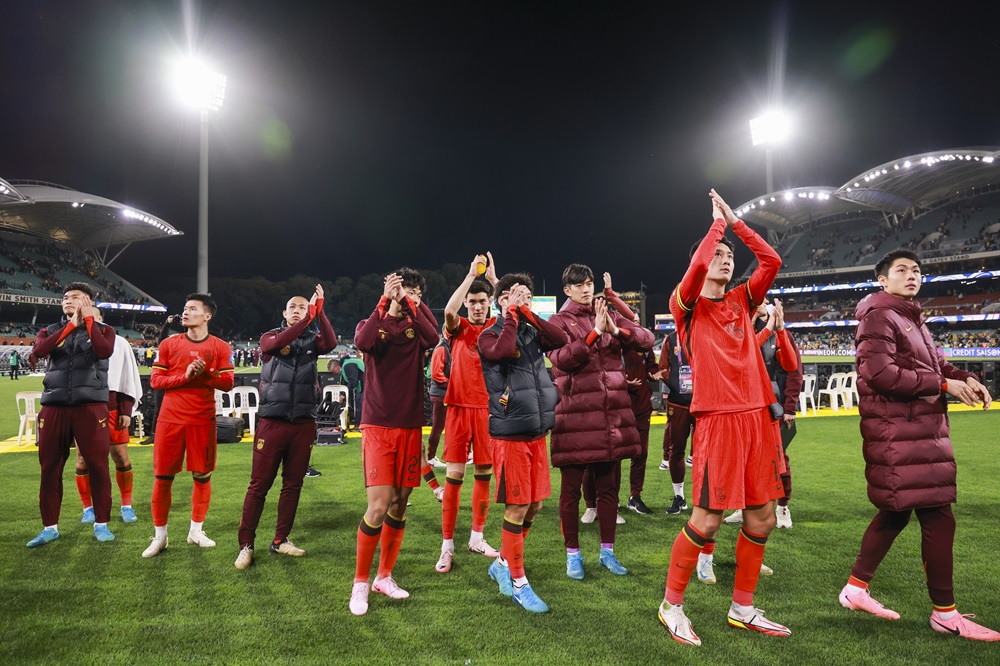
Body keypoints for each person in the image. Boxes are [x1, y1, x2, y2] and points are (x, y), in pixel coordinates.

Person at [839, 249, 998, 641]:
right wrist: (943, 385)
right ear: (882, 279)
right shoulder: (879, 316)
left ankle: (855, 589)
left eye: (917, 270)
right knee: (938, 516)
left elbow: (935, 366)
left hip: (915, 433)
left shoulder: (911, 317)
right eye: (902, 270)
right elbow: (880, 373)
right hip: (900, 434)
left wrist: (963, 376)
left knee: (896, 514)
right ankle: (945, 613)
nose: (913, 275)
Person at [658, 189, 787, 646]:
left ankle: (743, 607)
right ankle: (671, 605)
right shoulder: (686, 306)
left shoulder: (742, 301)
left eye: (729, 255)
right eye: (717, 255)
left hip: (757, 420)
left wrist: (735, 224)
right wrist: (714, 229)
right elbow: (695, 270)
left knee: (762, 517)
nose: (725, 259)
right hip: (717, 419)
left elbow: (770, 261)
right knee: (707, 520)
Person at [547, 263, 654, 580]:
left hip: (610, 420)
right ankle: (573, 556)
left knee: (609, 492)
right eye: (578, 284)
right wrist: (596, 333)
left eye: (589, 282)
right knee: (570, 495)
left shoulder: (608, 313)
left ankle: (608, 553)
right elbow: (562, 360)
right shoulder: (557, 321)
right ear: (566, 289)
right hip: (576, 419)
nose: (585, 288)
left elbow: (645, 338)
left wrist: (616, 330)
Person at [350, 268, 438, 616]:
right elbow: (362, 342)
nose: (408, 295)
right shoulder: (370, 323)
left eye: (414, 291)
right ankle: (360, 583)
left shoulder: (418, 327)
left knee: (400, 503)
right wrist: (385, 300)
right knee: (379, 504)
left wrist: (410, 303)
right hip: (378, 424)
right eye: (403, 288)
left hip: (411, 425)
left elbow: (433, 336)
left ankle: (384, 576)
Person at [479, 273, 568, 613]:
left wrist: (527, 314)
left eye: (528, 295)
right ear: (500, 300)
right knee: (517, 508)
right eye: (516, 295)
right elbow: (502, 351)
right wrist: (512, 315)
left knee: (534, 506)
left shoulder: (530, 330)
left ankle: (502, 562)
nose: (524, 299)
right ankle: (519, 583)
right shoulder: (489, 334)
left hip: (537, 432)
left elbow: (560, 338)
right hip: (510, 433)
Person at [235, 285, 336, 570]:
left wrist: (321, 312)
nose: (297, 310)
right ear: (284, 312)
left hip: (303, 423)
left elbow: (328, 343)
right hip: (272, 422)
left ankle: (280, 540)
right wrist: (308, 318)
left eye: (303, 307)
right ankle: (246, 544)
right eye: (292, 307)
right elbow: (270, 347)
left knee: (293, 485)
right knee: (259, 485)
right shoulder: (271, 337)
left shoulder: (312, 341)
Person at [142, 293, 234, 558]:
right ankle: (160, 537)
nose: (185, 312)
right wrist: (186, 376)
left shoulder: (220, 347)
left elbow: (227, 384)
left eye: (192, 309)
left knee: (202, 476)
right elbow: (156, 381)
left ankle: (196, 531)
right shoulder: (169, 344)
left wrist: (205, 373)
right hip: (170, 420)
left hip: (201, 420)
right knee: (162, 478)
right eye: (184, 308)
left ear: (207, 316)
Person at [27, 282, 117, 547]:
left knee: (98, 467)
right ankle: (49, 527)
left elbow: (103, 351)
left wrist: (88, 322)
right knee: (50, 468)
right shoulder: (50, 330)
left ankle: (101, 524)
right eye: (65, 297)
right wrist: (69, 327)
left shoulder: (104, 330)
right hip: (54, 406)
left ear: (87, 302)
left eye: (74, 297)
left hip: (90, 407)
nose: (67, 300)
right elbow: (39, 351)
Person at [435, 254, 501, 574]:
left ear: (489, 303)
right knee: (454, 478)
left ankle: (477, 537)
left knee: (484, 477)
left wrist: (492, 280)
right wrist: (468, 276)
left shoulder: (495, 327)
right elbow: (448, 310)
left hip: (487, 412)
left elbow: (516, 310)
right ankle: (447, 546)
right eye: (472, 301)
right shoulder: (458, 327)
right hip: (459, 409)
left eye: (482, 301)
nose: (476, 306)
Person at [723, 296, 801, 530]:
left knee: (780, 460)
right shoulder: (739, 328)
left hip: (772, 405)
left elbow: (793, 370)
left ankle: (782, 507)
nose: (759, 303)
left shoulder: (779, 332)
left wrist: (789, 408)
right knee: (744, 461)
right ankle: (744, 506)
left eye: (762, 299)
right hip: (742, 406)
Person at [74, 307, 143, 525]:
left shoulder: (119, 343)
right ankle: (88, 509)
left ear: (101, 319)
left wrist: (126, 410)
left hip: (112, 409)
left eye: (92, 315)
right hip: (83, 409)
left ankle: (126, 506)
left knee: (120, 457)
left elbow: (127, 377)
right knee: (83, 459)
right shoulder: (73, 340)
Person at [656, 330, 694, 516]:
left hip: (706, 402)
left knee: (708, 452)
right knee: (676, 449)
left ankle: (707, 497)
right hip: (678, 402)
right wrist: (675, 382)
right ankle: (679, 497)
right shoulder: (671, 339)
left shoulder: (708, 333)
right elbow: (662, 368)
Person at [426, 335, 450, 468]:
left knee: (446, 427)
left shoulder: (446, 347)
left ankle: (433, 457)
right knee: (438, 427)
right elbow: (436, 374)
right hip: (442, 394)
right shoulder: (442, 348)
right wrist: (453, 384)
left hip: (445, 393)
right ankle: (430, 457)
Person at [341, 355, 365, 430]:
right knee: (359, 404)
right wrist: (343, 394)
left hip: (365, 385)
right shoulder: (348, 364)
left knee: (360, 404)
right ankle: (358, 424)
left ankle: (360, 425)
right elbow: (345, 382)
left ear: (336, 366)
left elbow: (352, 382)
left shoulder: (347, 365)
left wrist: (343, 395)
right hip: (364, 384)